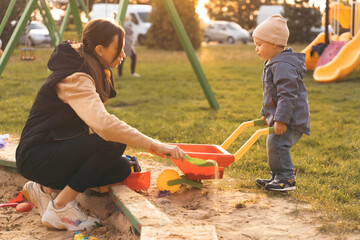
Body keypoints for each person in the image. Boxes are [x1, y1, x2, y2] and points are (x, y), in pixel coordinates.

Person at [16, 19, 185, 231]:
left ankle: (44, 189)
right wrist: (155, 145)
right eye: (118, 49)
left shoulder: (86, 65)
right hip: (36, 155)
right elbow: (104, 126)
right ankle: (60, 206)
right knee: (112, 143)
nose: (123, 54)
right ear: (99, 49)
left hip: (50, 150)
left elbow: (97, 125)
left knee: (120, 168)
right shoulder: (75, 77)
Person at [252, 15, 310, 191]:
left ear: (275, 44)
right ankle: (277, 176)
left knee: (277, 143)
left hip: (291, 118)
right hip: (283, 116)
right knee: (274, 143)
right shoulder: (273, 62)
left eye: (260, 45)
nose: (256, 49)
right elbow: (271, 93)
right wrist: (266, 113)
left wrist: (281, 120)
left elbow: (287, 96)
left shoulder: (283, 65)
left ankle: (286, 178)